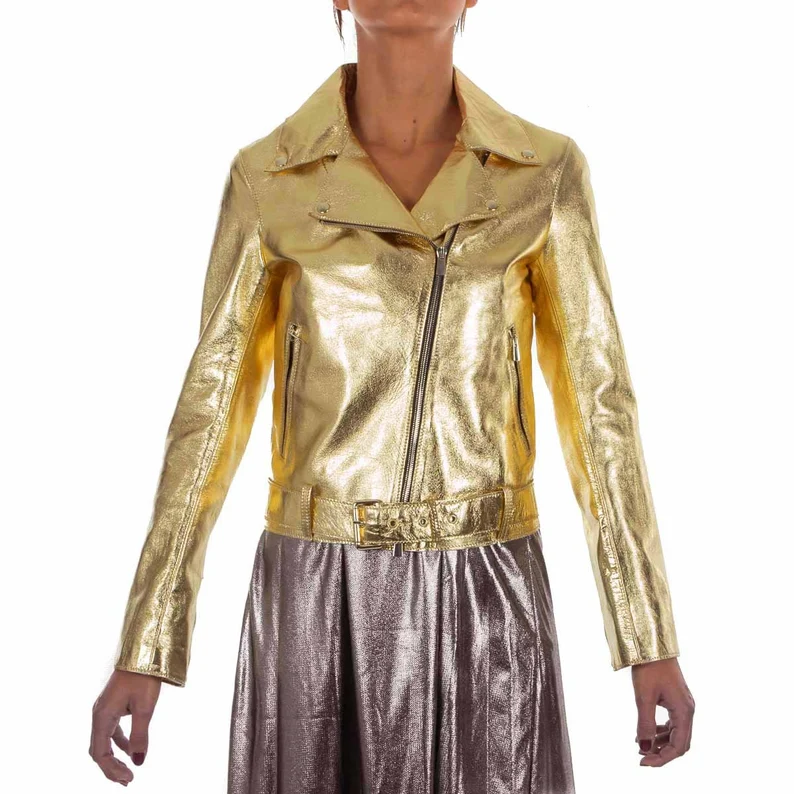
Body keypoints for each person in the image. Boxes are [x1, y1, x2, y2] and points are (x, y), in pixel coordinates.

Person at [90, 1, 695, 791]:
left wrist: (649, 635)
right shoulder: (269, 180)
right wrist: (146, 645)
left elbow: (599, 406)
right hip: (317, 595)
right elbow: (208, 416)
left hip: (487, 593)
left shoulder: (544, 175)